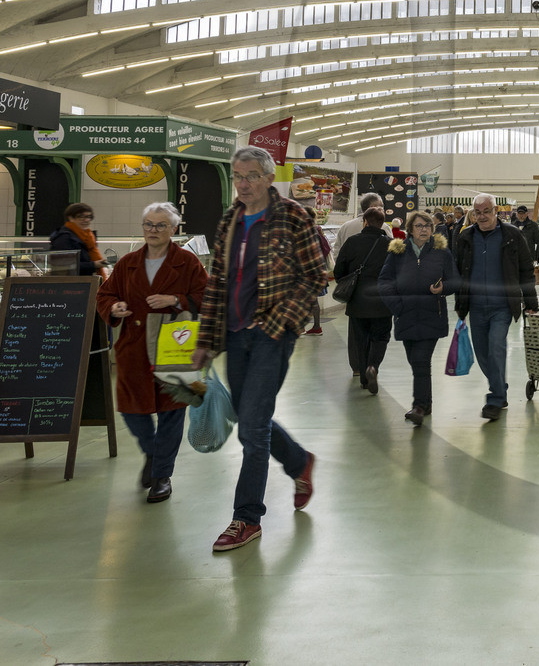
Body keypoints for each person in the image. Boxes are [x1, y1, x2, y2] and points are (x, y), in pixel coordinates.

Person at [192, 146, 325, 553]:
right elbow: (218, 283)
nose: (243, 183)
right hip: (235, 334)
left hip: (272, 334)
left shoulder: (293, 216)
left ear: (269, 179)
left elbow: (315, 276)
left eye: (251, 176)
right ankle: (298, 461)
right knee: (249, 415)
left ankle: (246, 517)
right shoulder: (230, 220)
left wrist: (281, 321)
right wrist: (206, 340)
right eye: (238, 176)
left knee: (252, 428)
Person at [96, 202, 207, 504]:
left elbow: (207, 296)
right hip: (133, 347)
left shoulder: (187, 262)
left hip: (174, 345)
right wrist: (114, 307)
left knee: (172, 411)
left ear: (174, 229)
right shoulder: (128, 262)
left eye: (160, 225)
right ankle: (153, 453)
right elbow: (105, 293)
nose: (153, 230)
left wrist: (175, 299)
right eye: (148, 224)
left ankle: (161, 477)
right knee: (132, 409)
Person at [453, 194, 539, 421]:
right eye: (477, 212)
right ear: (473, 214)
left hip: (502, 306)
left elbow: (525, 270)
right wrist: (459, 302)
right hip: (476, 305)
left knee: (496, 347)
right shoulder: (465, 236)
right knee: (482, 353)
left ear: (496, 211)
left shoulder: (512, 235)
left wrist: (530, 302)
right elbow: (459, 270)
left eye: (486, 211)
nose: (482, 216)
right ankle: (499, 385)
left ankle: (496, 398)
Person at [378, 211, 457, 426]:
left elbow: (455, 281)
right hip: (405, 315)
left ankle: (419, 406)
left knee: (421, 360)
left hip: (432, 314)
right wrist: (397, 306)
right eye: (419, 225)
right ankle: (426, 404)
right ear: (410, 229)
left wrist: (443, 288)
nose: (424, 229)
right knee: (415, 361)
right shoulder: (398, 252)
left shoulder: (442, 252)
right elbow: (384, 281)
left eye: (428, 225)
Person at [332, 206, 393, 395]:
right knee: (381, 337)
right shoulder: (391, 244)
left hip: (358, 301)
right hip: (383, 301)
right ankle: (373, 367)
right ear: (382, 224)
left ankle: (364, 379)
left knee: (360, 339)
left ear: (364, 222)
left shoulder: (352, 242)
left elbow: (338, 271)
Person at [49, 203, 106, 277]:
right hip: (71, 282)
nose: (86, 220)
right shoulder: (64, 237)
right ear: (71, 218)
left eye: (89, 217)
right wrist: (94, 265)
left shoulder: (87, 237)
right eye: (81, 217)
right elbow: (63, 265)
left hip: (84, 280)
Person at [334, 193, 383, 258]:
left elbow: (337, 253)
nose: (382, 210)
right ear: (373, 207)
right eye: (381, 207)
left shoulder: (345, 227)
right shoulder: (383, 227)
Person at [512, 205, 539, 287]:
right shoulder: (512, 226)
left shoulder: (533, 226)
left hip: (529, 257)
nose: (521, 216)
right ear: (517, 214)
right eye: (519, 214)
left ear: (526, 214)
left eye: (523, 213)